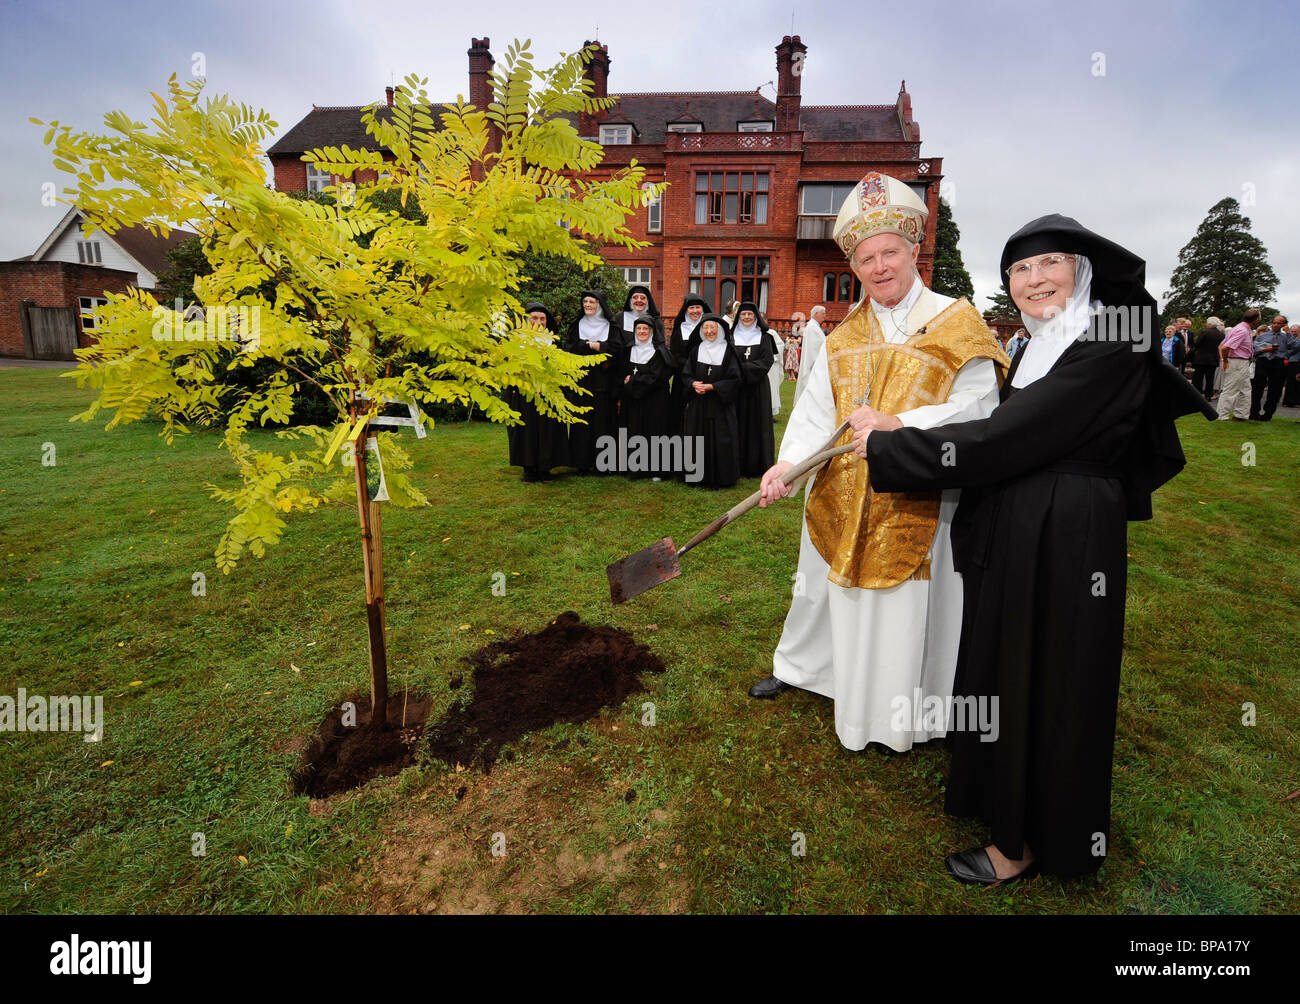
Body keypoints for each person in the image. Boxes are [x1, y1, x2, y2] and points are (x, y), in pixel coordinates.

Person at [855, 214, 1215, 884]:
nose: (1033, 279)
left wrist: (888, 447)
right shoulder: (1039, 343)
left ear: (1082, 268)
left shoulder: (1111, 338)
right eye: (1019, 269)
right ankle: (1000, 798)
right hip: (1026, 516)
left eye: (1049, 262)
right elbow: (1001, 429)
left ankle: (1031, 842)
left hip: (1068, 532)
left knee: (1056, 674)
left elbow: (1006, 437)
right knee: (1008, 660)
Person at [748, 172, 1007, 757]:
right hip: (842, 489)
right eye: (867, 258)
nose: (880, 267)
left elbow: (981, 411)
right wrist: (787, 465)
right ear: (856, 265)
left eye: (890, 252)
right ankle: (808, 671)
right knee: (819, 585)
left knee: (903, 602)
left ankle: (903, 709)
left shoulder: (956, 323)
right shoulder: (845, 335)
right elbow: (817, 408)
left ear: (912, 250)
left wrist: (903, 428)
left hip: (918, 493)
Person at [506, 302, 570, 482]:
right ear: (526, 319)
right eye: (534, 318)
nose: (539, 322)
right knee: (526, 432)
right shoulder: (516, 341)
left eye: (543, 319)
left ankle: (545, 468)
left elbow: (560, 367)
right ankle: (529, 469)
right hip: (524, 394)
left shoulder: (553, 341)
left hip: (548, 394)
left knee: (547, 432)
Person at [564, 290, 625, 471]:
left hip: (603, 382)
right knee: (581, 422)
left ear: (600, 305)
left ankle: (604, 464)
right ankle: (581, 463)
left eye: (592, 302)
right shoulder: (577, 325)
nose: (587, 305)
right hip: (582, 382)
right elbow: (569, 348)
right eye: (585, 302)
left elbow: (618, 351)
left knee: (603, 422)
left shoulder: (611, 327)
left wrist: (601, 346)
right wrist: (589, 346)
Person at [680, 314, 742, 488]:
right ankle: (695, 476)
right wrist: (693, 384)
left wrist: (713, 387)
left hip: (720, 405)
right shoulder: (696, 350)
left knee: (721, 439)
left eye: (712, 328)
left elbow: (735, 379)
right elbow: (685, 374)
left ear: (719, 330)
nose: (709, 331)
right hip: (698, 405)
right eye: (705, 328)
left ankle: (721, 478)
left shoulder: (729, 352)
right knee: (696, 439)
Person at [619, 315, 675, 480]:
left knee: (655, 434)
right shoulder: (629, 350)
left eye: (645, 329)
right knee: (634, 431)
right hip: (633, 401)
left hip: (655, 401)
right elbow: (622, 373)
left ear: (652, 332)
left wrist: (633, 380)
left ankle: (656, 471)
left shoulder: (659, 352)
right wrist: (627, 385)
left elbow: (656, 378)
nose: (642, 331)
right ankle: (634, 468)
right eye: (639, 329)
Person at [731, 302, 777, 476]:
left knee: (758, 425)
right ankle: (737, 464)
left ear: (756, 316)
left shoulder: (765, 337)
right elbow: (727, 359)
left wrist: (742, 370)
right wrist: (738, 372)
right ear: (738, 317)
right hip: (737, 387)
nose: (747, 318)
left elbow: (767, 361)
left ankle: (758, 465)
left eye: (750, 314)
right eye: (743, 315)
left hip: (758, 387)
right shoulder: (730, 336)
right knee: (737, 422)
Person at [668, 295, 710, 435]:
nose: (695, 311)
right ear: (686, 311)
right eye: (691, 308)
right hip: (683, 379)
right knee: (680, 414)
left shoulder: (710, 328)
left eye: (698, 307)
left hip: (706, 378)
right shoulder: (680, 329)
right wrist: (691, 368)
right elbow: (675, 355)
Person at [1217, 309, 1258, 420]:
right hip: (1238, 362)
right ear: (1255, 319)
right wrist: (1225, 360)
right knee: (1231, 389)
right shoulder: (1242, 330)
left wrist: (1224, 359)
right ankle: (1222, 416)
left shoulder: (1239, 328)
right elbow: (1225, 347)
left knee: (1245, 389)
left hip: (1241, 362)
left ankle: (1241, 415)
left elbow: (1221, 346)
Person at [1249, 313, 1291, 421]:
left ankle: (1268, 414)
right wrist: (1265, 350)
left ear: (1284, 325)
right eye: (1274, 323)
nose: (1276, 325)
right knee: (1257, 388)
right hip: (1263, 361)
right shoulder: (1262, 336)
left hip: (1278, 362)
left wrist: (1289, 333)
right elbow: (1253, 350)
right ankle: (1254, 412)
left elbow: (1296, 346)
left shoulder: (1287, 337)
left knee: (1275, 390)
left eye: (1279, 323)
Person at [793, 304, 827, 407]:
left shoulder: (814, 326)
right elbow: (814, 349)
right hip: (813, 365)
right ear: (816, 314)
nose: (825, 316)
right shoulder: (812, 328)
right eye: (823, 313)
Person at [1190, 317, 1224, 400]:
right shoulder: (1221, 334)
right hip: (1214, 359)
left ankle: (1197, 395)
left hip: (1202, 358)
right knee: (1210, 378)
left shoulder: (1205, 332)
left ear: (1209, 324)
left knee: (1198, 378)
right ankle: (1208, 395)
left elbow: (1197, 344)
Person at [1284, 324, 1300, 408]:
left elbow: (1294, 348)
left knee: (1295, 382)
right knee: (1291, 382)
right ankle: (1288, 401)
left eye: (1295, 331)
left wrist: (1287, 354)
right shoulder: (1290, 339)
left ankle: (1294, 400)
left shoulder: (1296, 340)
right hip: (1292, 362)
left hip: (1295, 361)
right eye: (1292, 331)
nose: (1293, 333)